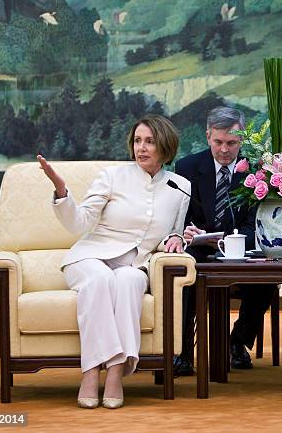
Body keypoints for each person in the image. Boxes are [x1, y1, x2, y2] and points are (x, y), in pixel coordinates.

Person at [37, 114, 190, 409]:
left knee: (130, 281)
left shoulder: (180, 187)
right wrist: (61, 191)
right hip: (90, 258)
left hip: (135, 264)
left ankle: (116, 374)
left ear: (165, 146)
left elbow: (172, 232)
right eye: (137, 141)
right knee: (100, 279)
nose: (141, 148)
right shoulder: (112, 176)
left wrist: (178, 239)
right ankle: (92, 372)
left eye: (150, 141)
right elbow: (79, 223)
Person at [173, 106, 276, 375]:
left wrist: (229, 240)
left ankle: (236, 343)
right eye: (218, 142)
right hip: (199, 252)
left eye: (231, 143)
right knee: (182, 272)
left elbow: (258, 225)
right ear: (208, 136)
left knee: (267, 279)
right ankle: (182, 353)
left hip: (241, 251)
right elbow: (177, 217)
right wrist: (188, 232)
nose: (224, 150)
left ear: (241, 140)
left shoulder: (257, 172)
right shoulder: (187, 168)